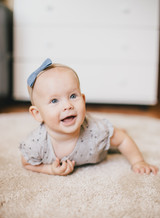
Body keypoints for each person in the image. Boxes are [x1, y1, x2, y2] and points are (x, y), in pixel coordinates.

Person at [20, 58, 159, 176]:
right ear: (37, 114)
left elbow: (122, 140)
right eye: (54, 100)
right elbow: (26, 162)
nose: (67, 105)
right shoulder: (36, 143)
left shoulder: (95, 130)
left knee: (116, 136)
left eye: (73, 96)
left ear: (83, 100)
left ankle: (116, 132)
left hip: (96, 142)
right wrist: (49, 169)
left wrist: (138, 161)